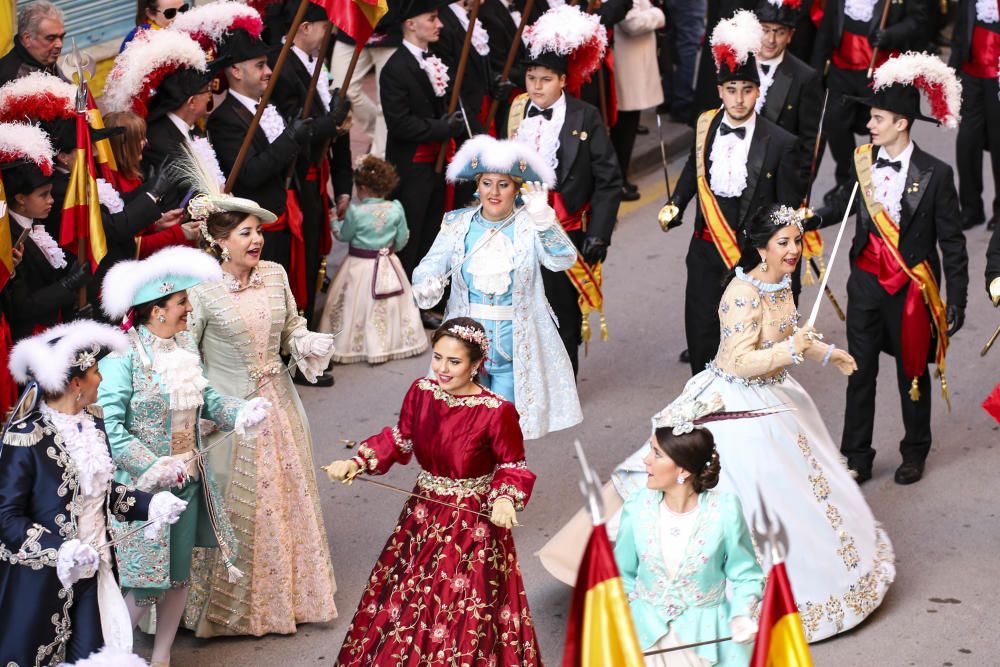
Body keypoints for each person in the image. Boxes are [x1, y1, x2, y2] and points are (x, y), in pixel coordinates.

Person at [609, 204, 894, 642]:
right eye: (784, 242)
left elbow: (789, 334)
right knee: (756, 489)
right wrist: (795, 351)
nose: (794, 250)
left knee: (811, 488)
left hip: (777, 395)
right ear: (761, 248)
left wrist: (824, 352)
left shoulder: (780, 284)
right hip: (737, 401)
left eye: (797, 241)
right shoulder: (741, 294)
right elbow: (741, 362)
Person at [176, 153, 338, 638]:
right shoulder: (199, 292)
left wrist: (305, 342)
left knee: (286, 499)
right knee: (234, 508)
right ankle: (223, 610)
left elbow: (290, 327)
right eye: (245, 232)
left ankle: (290, 596)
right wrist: (202, 412)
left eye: (258, 232)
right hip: (229, 418)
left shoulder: (275, 275)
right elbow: (188, 358)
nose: (256, 240)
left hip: (282, 408)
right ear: (217, 241)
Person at [325, 318, 541, 666]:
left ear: (475, 365)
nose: (442, 368)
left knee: (462, 610)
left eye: (453, 362)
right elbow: (400, 439)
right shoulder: (421, 392)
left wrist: (504, 498)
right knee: (405, 600)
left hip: (472, 524)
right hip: (422, 515)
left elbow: (511, 465)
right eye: (437, 357)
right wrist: (357, 462)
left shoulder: (497, 412)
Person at [97, 246, 271, 667]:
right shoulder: (124, 358)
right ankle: (109, 658)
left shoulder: (185, 345)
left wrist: (239, 411)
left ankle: (161, 658)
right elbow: (112, 427)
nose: (188, 309)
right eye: (181, 303)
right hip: (142, 493)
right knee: (143, 583)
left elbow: (206, 397)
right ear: (156, 310)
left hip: (190, 482)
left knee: (177, 579)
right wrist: (151, 464)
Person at [1, 320, 187, 665]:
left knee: (95, 657)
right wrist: (61, 550)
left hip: (96, 572)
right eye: (95, 372)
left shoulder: (94, 423)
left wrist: (151, 504)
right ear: (75, 383)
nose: (100, 378)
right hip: (42, 582)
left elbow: (100, 492)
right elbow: (7, 519)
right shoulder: (27, 437)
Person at [827, 54, 968, 485]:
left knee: (912, 372)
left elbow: (952, 243)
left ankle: (914, 451)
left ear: (902, 123)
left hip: (910, 288)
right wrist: (805, 218)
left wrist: (955, 300)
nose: (870, 125)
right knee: (859, 370)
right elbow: (839, 203)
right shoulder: (862, 161)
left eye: (878, 118)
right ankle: (856, 455)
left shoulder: (937, 174)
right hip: (866, 282)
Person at [659, 11, 803, 375]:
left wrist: (786, 272)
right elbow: (694, 172)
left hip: (750, 256)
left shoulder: (781, 142)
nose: (739, 99)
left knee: (746, 343)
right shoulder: (705, 125)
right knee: (702, 334)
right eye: (731, 90)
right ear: (720, 91)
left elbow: (785, 210)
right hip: (705, 250)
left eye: (747, 90)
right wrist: (676, 203)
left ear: (759, 91)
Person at [411, 134, 582, 438]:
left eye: (503, 184)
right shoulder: (456, 223)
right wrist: (427, 283)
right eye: (487, 183)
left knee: (502, 434)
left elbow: (564, 261)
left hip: (513, 347)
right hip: (462, 347)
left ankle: (500, 485)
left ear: (516, 189)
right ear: (477, 186)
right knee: (459, 431)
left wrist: (544, 221)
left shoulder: (531, 224)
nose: (494, 192)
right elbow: (430, 265)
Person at [508, 3, 624, 374]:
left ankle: (563, 382)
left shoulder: (584, 116)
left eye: (545, 80)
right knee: (522, 307)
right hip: (519, 228)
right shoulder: (515, 112)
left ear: (562, 80)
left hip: (567, 230)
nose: (536, 87)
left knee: (562, 311)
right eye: (531, 79)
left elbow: (610, 181)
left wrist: (600, 235)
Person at [615, 412, 764, 666]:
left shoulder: (724, 511)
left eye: (657, 454)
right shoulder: (637, 508)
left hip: (708, 643)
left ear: (682, 469)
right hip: (645, 640)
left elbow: (747, 575)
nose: (646, 460)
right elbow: (620, 575)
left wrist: (742, 615)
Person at [192, 4, 313, 271]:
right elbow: (250, 173)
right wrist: (290, 138)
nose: (268, 71)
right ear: (236, 71)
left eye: (267, 64)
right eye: (260, 65)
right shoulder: (225, 120)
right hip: (258, 231)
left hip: (288, 216)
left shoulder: (269, 106)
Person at [268, 0, 353, 350]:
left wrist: (343, 186)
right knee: (299, 265)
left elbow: (334, 131)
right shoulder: (283, 66)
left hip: (319, 179)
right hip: (299, 182)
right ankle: (298, 343)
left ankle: (310, 332)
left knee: (315, 259)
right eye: (323, 25)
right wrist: (329, 122)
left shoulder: (315, 63)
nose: (329, 32)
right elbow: (293, 125)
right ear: (304, 28)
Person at [380, 0, 466, 288]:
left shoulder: (435, 58)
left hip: (438, 165)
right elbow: (401, 124)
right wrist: (443, 127)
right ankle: (406, 304)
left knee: (434, 235)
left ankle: (429, 296)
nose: (439, 24)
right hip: (411, 169)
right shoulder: (395, 68)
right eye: (432, 18)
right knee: (412, 237)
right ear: (411, 24)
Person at [811, 0, 926, 208]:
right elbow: (827, 27)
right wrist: (816, 70)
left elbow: (918, 19)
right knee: (834, 123)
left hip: (880, 71)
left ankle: (878, 180)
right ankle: (848, 181)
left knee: (881, 130)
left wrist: (892, 34)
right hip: (841, 69)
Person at [318, 155, 428, 364]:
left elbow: (344, 236)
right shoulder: (396, 207)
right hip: (388, 263)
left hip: (358, 266)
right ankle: (393, 342)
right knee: (389, 306)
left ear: (361, 187)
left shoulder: (356, 212)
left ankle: (353, 345)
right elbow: (403, 237)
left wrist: (333, 222)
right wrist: (390, 252)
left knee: (352, 304)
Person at [0, 121, 89, 342]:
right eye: (43, 195)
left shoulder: (36, 223)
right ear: (20, 198)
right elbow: (21, 307)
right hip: (33, 340)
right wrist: (67, 285)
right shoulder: (8, 238)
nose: (51, 201)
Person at [104, 110, 199, 258]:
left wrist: (157, 224)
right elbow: (130, 246)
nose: (145, 142)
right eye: (139, 139)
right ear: (122, 145)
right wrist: (179, 233)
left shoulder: (134, 176)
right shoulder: (110, 185)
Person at [753, 0, 823, 190]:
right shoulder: (737, 64)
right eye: (765, 29)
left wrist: (798, 189)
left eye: (780, 32)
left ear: (790, 36)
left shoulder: (805, 78)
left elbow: (809, 143)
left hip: (775, 181)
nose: (770, 39)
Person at [949, 0, 1000, 231]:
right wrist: (950, 75)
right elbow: (960, 32)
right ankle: (971, 209)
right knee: (967, 143)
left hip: (998, 76)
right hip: (971, 75)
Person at [329, 1, 402, 158]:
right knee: (340, 92)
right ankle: (383, 135)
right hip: (352, 21)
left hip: (391, 24)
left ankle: (379, 158)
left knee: (388, 97)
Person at [611, 0, 666, 201]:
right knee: (623, 128)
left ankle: (621, 178)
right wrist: (657, 15)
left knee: (629, 125)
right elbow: (631, 23)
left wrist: (650, 13)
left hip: (636, 62)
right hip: (628, 63)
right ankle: (617, 181)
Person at [0, 1, 65, 87]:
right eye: (51, 38)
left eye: (61, 37)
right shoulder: (14, 82)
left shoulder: (41, 58)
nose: (59, 44)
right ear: (27, 39)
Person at [120, 0, 190, 51]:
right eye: (170, 13)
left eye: (183, 9)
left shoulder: (188, 28)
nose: (179, 16)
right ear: (151, 14)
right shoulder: (140, 42)